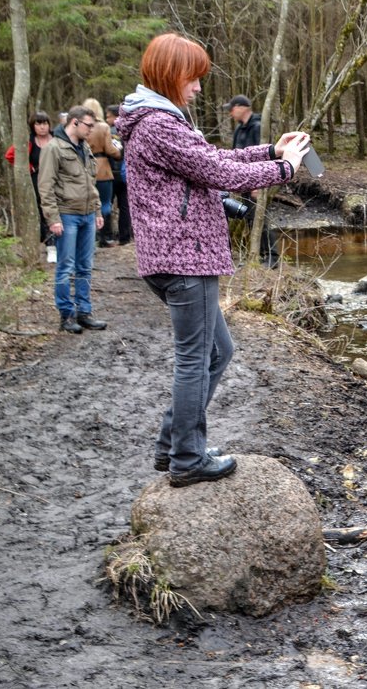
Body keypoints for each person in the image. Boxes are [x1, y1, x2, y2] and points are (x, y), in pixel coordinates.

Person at [117, 33, 309, 487]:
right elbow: (219, 172)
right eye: (194, 77)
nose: (199, 87)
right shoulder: (158, 124)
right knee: (195, 358)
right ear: (170, 74)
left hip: (180, 256)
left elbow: (212, 159)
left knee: (217, 351)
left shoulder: (161, 120)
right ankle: (187, 457)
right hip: (185, 258)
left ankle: (173, 445)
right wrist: (285, 169)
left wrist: (270, 150)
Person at [37, 106, 107, 334]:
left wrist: (97, 212)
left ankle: (84, 312)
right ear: (74, 122)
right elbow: (45, 187)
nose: (91, 129)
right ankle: (66, 315)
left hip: (87, 214)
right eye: (88, 125)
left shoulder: (84, 146)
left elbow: (90, 182)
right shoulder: (53, 148)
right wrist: (53, 218)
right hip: (66, 215)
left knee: (85, 267)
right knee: (66, 267)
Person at [223, 94, 279, 266]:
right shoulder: (240, 130)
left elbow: (265, 157)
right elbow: (236, 155)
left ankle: (272, 257)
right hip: (244, 182)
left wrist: (259, 185)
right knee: (249, 218)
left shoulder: (258, 127)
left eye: (232, 109)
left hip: (258, 183)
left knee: (260, 218)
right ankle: (257, 256)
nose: (231, 113)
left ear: (242, 107)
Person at [4, 111, 58, 258]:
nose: (42, 127)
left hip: (59, 180)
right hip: (37, 181)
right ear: (32, 126)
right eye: (38, 124)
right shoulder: (28, 141)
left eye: (45, 123)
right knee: (44, 212)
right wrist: (29, 168)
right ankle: (50, 245)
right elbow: (10, 155)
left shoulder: (57, 138)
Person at [82, 98, 123, 247]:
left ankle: (90, 236)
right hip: (103, 168)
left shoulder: (80, 126)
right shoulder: (103, 127)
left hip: (85, 167)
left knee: (88, 204)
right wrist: (120, 153)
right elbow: (110, 149)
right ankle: (105, 236)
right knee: (105, 204)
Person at [104, 104, 132, 244]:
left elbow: (112, 151)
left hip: (111, 172)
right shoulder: (129, 130)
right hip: (125, 172)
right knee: (125, 206)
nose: (106, 119)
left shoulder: (109, 132)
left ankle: (107, 235)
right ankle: (125, 236)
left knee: (106, 204)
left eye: (108, 116)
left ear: (116, 117)